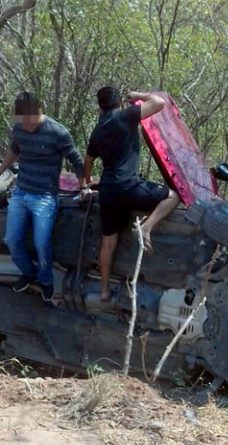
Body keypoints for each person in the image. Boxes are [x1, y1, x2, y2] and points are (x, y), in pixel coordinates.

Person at [83, 87, 179, 303]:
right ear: (120, 103)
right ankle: (146, 227)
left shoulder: (98, 130)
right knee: (173, 196)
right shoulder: (124, 116)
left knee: (108, 242)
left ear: (100, 107)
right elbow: (159, 103)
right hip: (129, 186)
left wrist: (86, 183)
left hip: (108, 190)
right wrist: (139, 97)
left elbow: (87, 161)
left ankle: (104, 291)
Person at [0, 91, 88, 301]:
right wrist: (2, 168)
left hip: (44, 196)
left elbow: (76, 160)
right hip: (21, 192)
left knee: (42, 243)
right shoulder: (19, 127)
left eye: (29, 121)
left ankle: (46, 281)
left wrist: (84, 185)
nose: (26, 126)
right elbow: (15, 149)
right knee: (11, 239)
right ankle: (28, 274)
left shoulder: (57, 132)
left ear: (39, 113)